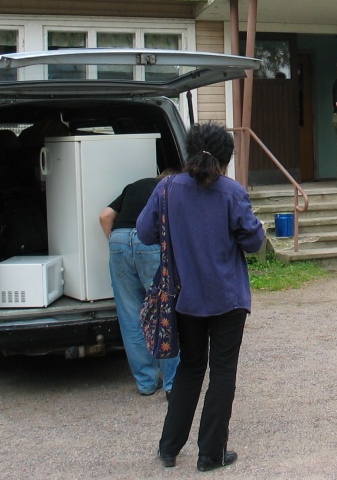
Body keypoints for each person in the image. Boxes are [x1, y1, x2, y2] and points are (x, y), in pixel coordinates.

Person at [137, 123, 265, 473]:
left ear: (188, 151)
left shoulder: (167, 189)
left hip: (185, 297)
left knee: (190, 368)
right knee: (222, 372)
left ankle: (168, 447)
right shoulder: (232, 192)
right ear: (225, 158)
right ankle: (210, 454)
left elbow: (145, 232)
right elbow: (254, 241)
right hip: (227, 298)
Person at [100, 170, 180, 398]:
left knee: (130, 316)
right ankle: (173, 383)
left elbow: (105, 217)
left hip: (119, 239)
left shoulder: (134, 186)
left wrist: (120, 246)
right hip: (150, 242)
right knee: (164, 312)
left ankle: (146, 382)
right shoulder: (173, 189)